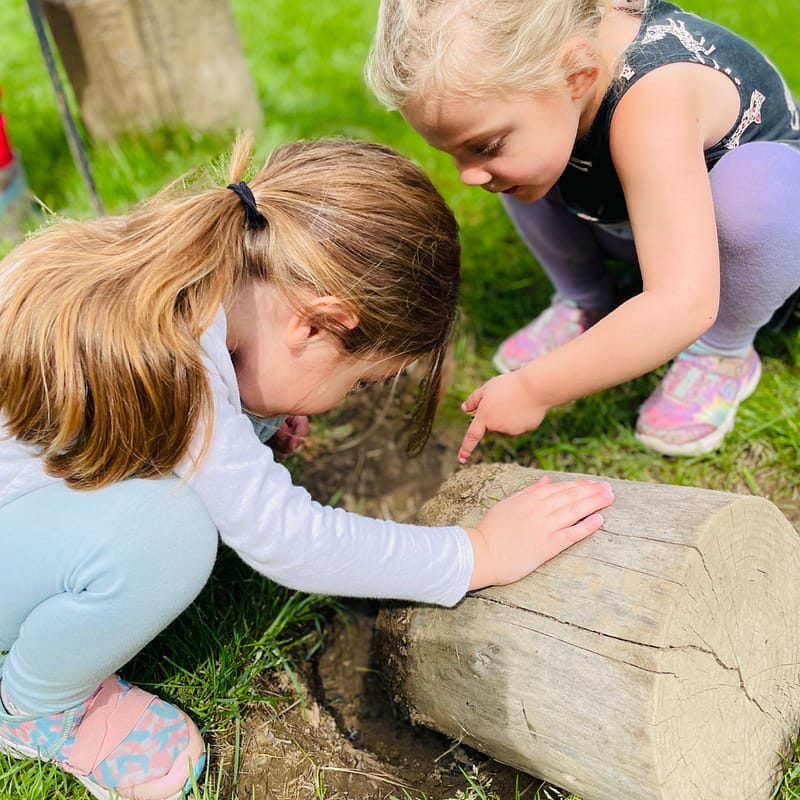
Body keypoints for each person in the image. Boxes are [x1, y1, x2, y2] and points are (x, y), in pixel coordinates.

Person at [0, 134, 614, 800]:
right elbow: (293, 541)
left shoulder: (176, 280)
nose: (343, 399)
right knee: (162, 534)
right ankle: (36, 709)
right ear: (316, 326)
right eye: (360, 381)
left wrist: (253, 421)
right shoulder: (185, 369)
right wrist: (479, 554)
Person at [365, 0, 800, 461]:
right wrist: (496, 155)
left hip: (753, 255)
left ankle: (721, 351)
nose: (467, 176)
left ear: (577, 74)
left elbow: (684, 303)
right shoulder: (550, 82)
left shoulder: (654, 98)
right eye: (453, 154)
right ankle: (587, 299)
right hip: (644, 218)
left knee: (758, 190)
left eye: (484, 145)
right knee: (520, 167)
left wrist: (534, 389)